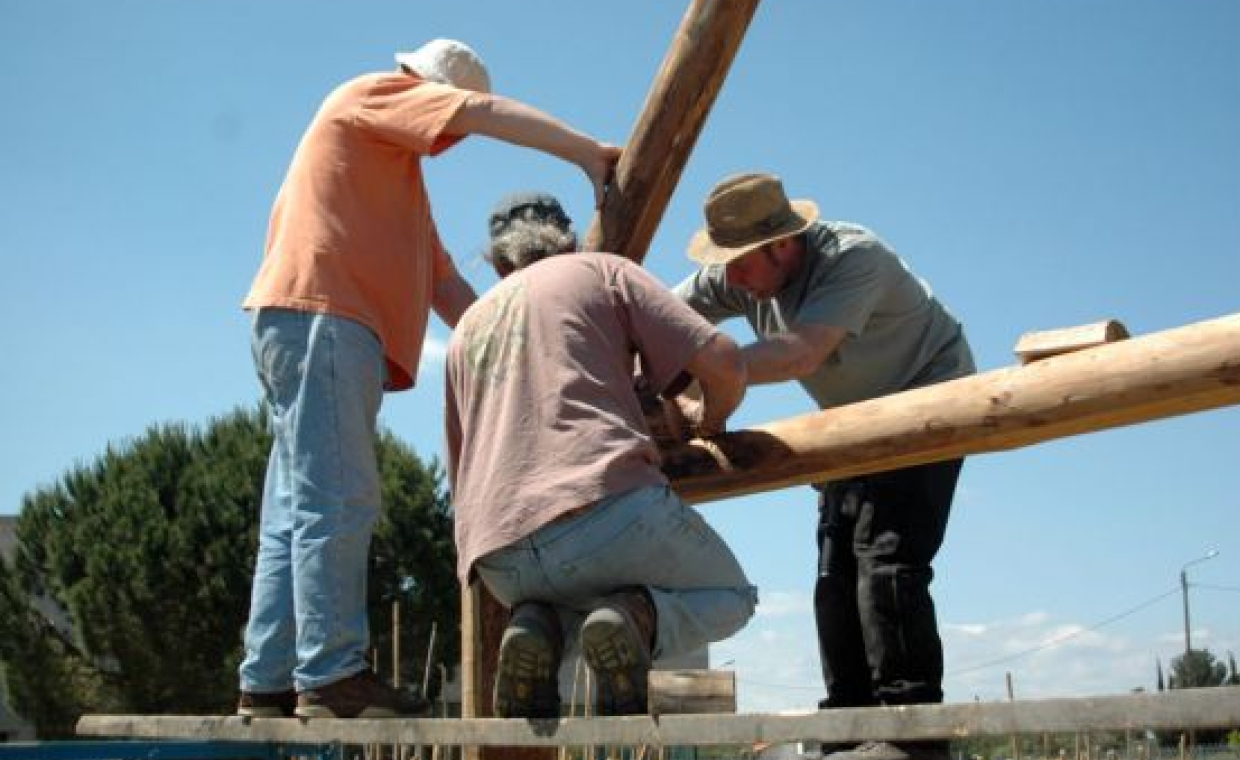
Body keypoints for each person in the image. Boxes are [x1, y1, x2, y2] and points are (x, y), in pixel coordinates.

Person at [237, 39, 621, 720]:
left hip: (299, 324)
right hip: (325, 317)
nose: (450, 137)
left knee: (293, 512)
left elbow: (445, 286)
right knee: (339, 499)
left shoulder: (394, 179)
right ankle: (330, 676)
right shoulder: (369, 94)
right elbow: (481, 110)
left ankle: (267, 681)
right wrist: (586, 153)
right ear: (423, 85)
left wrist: (514, 350)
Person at [674, 173, 975, 760]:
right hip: (851, 417)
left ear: (782, 246)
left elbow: (801, 352)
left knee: (887, 559)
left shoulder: (853, 257)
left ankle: (911, 735)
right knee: (835, 573)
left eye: (739, 265)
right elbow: (661, 310)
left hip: (927, 395)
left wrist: (709, 373)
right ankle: (848, 726)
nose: (730, 280)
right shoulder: (744, 273)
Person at [444, 192, 758, 718]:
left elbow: (461, 469)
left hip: (499, 561)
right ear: (568, 241)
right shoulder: (601, 271)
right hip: (603, 512)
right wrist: (710, 426)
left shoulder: (466, 331)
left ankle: (541, 628)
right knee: (732, 595)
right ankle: (636, 618)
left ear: (499, 263)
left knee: (567, 605)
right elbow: (724, 362)